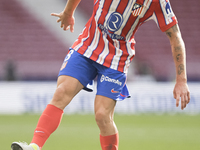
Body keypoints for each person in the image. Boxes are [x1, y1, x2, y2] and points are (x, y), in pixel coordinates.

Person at [11, 0, 190, 149]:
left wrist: (181, 80)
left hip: (117, 58)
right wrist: (68, 12)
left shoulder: (157, 1)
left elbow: (175, 36)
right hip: (87, 47)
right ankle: (34, 147)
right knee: (61, 92)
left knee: (102, 115)